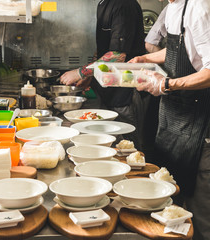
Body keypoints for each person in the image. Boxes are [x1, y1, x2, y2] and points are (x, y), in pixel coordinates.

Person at [129, 0, 210, 239]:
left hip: (201, 112)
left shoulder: (202, 7)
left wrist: (166, 84)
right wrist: (147, 59)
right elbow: (183, 49)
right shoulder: (176, 7)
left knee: (202, 194)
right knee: (177, 184)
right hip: (178, 109)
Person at [60, 0, 156, 154]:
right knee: (113, 145)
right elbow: (104, 49)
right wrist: (90, 75)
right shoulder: (103, 4)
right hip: (109, 89)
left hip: (126, 90)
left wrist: (81, 72)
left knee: (129, 148)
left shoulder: (124, 5)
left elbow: (117, 55)